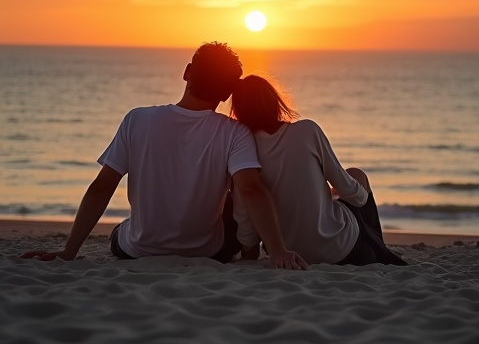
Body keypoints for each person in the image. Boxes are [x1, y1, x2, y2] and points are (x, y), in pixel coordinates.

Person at [21, 43, 307, 270]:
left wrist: (69, 250)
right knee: (237, 192)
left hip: (139, 249)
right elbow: (252, 190)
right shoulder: (234, 132)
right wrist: (278, 250)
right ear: (225, 95)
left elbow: (102, 186)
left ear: (187, 72)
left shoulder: (137, 120)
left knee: (122, 230)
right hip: (209, 251)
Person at [230, 74, 407, 266]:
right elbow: (347, 188)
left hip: (292, 253)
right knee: (356, 175)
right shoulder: (306, 130)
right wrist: (362, 199)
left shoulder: (243, 152)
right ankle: (377, 246)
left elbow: (244, 211)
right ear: (274, 101)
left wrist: (249, 248)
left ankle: (371, 246)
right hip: (342, 247)